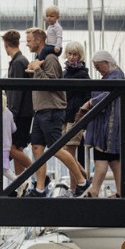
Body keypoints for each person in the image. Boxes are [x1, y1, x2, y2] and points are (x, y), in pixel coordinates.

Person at [23, 27, 86, 196]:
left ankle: (82, 181)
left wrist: (36, 69)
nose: (27, 44)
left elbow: (51, 84)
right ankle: (40, 189)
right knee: (37, 147)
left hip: (51, 110)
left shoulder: (50, 58)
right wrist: (34, 70)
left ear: (38, 40)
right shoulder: (40, 59)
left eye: (29, 40)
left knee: (56, 148)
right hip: (40, 110)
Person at [80, 50, 125, 198]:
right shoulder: (116, 74)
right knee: (113, 159)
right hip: (109, 124)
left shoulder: (115, 76)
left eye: (98, 67)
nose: (97, 70)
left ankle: (94, 191)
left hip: (108, 125)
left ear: (106, 63)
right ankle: (119, 192)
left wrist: (90, 102)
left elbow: (108, 94)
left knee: (103, 158)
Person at [2, 29, 35, 181]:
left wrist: (11, 115)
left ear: (5, 44)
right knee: (18, 148)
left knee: (12, 150)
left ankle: (39, 173)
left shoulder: (17, 63)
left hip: (19, 113)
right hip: (25, 112)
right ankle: (20, 183)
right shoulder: (22, 61)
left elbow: (16, 92)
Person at [61, 42, 93, 196]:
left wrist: (84, 117)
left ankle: (74, 188)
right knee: (63, 151)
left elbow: (88, 97)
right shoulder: (64, 73)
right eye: (69, 54)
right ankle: (84, 177)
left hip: (76, 117)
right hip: (64, 116)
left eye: (75, 54)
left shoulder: (83, 74)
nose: (72, 57)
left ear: (80, 56)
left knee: (69, 152)